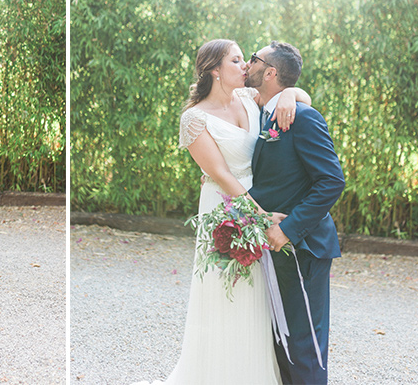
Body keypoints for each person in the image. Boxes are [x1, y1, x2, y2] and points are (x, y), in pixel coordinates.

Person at [134, 38, 311, 385]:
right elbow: (221, 174)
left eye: (245, 59)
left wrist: (289, 94)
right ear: (214, 70)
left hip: (254, 201)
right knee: (224, 291)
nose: (245, 65)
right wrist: (259, 217)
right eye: (236, 60)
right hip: (226, 206)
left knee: (254, 297)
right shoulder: (194, 118)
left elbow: (301, 97)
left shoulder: (249, 98)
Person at [246, 41, 345, 385]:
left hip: (300, 246)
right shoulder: (259, 112)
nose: (247, 64)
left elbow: (332, 181)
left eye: (253, 59)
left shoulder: (302, 117)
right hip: (270, 246)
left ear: (271, 72)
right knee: (281, 342)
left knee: (304, 345)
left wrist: (289, 229)